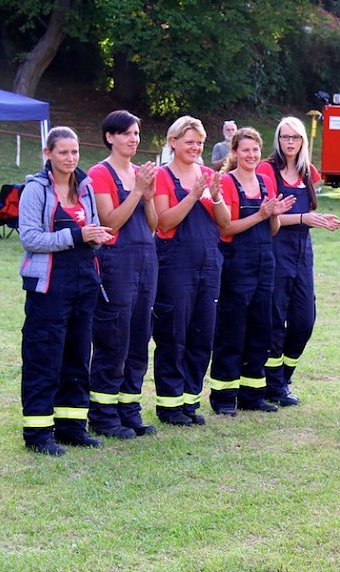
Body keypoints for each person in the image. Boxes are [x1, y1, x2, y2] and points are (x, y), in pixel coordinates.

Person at [19, 126, 114, 456]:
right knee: (44, 358)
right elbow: (30, 238)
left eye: (74, 152)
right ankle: (38, 433)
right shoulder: (35, 190)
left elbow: (91, 230)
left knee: (77, 356)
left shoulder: (85, 187)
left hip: (84, 283)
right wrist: (77, 236)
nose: (70, 158)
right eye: (63, 152)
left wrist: (96, 237)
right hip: (49, 287)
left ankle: (72, 427)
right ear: (48, 154)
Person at [209, 127, 296, 416]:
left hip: (264, 263)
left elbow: (272, 230)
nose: (251, 155)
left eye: (255, 149)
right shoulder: (227, 182)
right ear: (234, 152)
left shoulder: (264, 181)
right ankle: (224, 397)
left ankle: (252, 395)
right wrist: (260, 214)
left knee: (261, 328)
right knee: (232, 330)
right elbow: (226, 228)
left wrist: (274, 215)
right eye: (245, 150)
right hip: (236, 264)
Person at [256, 117, 340, 406]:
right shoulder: (267, 170)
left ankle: (285, 376)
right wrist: (305, 218)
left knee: (304, 321)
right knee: (274, 319)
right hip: (275, 250)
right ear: (277, 140)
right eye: (285, 137)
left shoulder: (308, 172)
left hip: (303, 253)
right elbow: (269, 215)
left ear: (303, 141)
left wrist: (320, 219)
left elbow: (309, 212)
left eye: (295, 137)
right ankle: (273, 384)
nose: (290, 142)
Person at [152, 115, 230, 426]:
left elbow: (224, 222)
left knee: (202, 334)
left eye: (199, 143)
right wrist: (194, 194)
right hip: (175, 264)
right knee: (174, 333)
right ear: (173, 143)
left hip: (208, 264)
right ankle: (169, 405)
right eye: (189, 142)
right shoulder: (162, 176)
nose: (195, 148)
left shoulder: (208, 175)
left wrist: (217, 196)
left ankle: (190, 401)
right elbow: (164, 222)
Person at [88, 110, 159, 439]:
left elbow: (154, 224)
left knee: (139, 339)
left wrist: (148, 197)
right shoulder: (99, 173)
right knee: (113, 339)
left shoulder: (138, 172)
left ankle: (129, 410)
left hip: (146, 260)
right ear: (110, 137)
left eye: (136, 133)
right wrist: (136, 192)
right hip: (117, 262)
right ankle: (103, 415)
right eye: (127, 133)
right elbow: (110, 222)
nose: (134, 139)